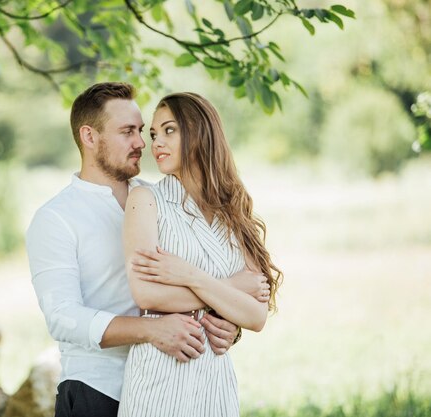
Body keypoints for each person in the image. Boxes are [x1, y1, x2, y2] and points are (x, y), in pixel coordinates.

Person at [26, 83, 269, 417]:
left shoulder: (161, 200)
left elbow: (209, 273)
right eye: (128, 132)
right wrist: (152, 330)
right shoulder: (56, 218)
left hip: (173, 378)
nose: (142, 143)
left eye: (142, 131)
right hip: (97, 390)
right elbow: (64, 318)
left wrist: (225, 320)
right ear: (89, 136)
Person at [118, 92, 283, 417]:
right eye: (153, 134)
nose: (156, 143)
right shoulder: (146, 199)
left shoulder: (234, 210)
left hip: (214, 376)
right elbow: (147, 293)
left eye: (169, 130)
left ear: (198, 132)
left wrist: (189, 275)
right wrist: (232, 289)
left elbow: (256, 316)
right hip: (157, 375)